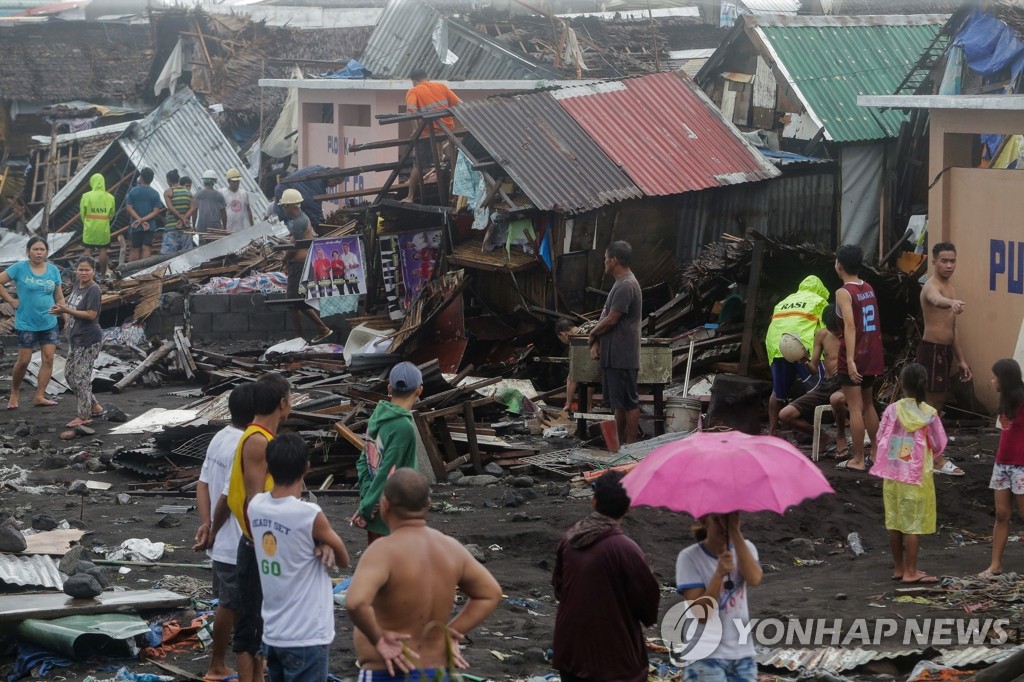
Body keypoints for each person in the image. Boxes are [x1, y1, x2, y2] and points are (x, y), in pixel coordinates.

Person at [345, 468, 502, 679]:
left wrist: (379, 639)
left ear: (385, 504)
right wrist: (450, 633)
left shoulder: (383, 551)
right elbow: (490, 593)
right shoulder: (451, 548)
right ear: (428, 504)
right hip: (435, 670)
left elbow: (355, 602)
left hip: (389, 669)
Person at [249, 433, 350, 682]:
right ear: (307, 467)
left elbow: (288, 542)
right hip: (306, 635)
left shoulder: (255, 506)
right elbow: (344, 559)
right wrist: (325, 543)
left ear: (269, 468)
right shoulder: (309, 514)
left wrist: (319, 542)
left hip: (273, 633)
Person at [552, 471, 660, 682]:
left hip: (570, 651)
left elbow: (559, 588)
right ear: (629, 507)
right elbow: (648, 608)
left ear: (593, 501)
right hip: (614, 659)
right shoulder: (626, 549)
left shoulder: (569, 539)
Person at [222, 373, 291, 682]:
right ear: (282, 403)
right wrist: (268, 550)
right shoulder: (258, 441)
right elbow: (255, 501)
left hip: (262, 543)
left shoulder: (262, 437)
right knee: (249, 625)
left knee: (262, 622)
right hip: (257, 546)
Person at [193, 383, 255, 682]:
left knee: (238, 604)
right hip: (232, 541)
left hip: (220, 540)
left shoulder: (221, 436)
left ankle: (248, 661)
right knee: (230, 605)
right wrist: (214, 529)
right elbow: (229, 498)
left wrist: (205, 525)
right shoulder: (246, 444)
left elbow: (202, 483)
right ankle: (216, 665)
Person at [870, 363, 947, 584]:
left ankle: (899, 568)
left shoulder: (892, 410)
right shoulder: (929, 414)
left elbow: (880, 436)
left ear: (902, 384)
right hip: (916, 475)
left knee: (894, 522)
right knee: (913, 524)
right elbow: (937, 443)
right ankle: (911, 571)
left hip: (893, 473)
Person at [676, 512, 762, 682]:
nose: (724, 525)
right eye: (717, 519)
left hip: (742, 654)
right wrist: (719, 574)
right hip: (704, 655)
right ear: (703, 520)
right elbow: (701, 615)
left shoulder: (746, 548)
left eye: (730, 518)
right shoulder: (689, 557)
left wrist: (735, 532)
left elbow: (754, 578)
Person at [352, 362, 422, 545]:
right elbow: (389, 473)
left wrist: (367, 499)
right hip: (394, 518)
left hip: (376, 513)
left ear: (389, 387)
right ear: (419, 390)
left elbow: (363, 461)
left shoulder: (377, 417)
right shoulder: (403, 427)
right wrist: (367, 508)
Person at [918, 242, 969, 476]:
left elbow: (953, 328)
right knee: (930, 407)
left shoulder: (951, 287)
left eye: (953, 261)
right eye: (945, 261)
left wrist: (961, 360)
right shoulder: (932, 286)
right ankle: (934, 459)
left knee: (934, 407)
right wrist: (951, 303)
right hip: (932, 351)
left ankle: (925, 454)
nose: (949, 265)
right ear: (934, 261)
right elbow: (936, 300)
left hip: (945, 352)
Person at [834, 244, 884, 472]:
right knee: (868, 404)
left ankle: (857, 458)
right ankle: (875, 451)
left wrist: (851, 359)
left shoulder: (843, 292)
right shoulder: (868, 287)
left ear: (839, 265)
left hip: (856, 353)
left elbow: (850, 325)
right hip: (872, 350)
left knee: (854, 407)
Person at [588, 241, 642, 445]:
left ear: (615, 260)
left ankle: (632, 445)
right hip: (614, 354)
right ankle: (619, 444)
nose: (604, 262)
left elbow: (612, 319)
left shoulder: (627, 284)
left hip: (623, 354)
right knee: (619, 403)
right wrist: (596, 341)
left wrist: (592, 334)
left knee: (629, 401)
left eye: (606, 259)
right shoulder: (619, 283)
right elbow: (605, 317)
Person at [0, 237, 65, 409]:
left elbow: (59, 296)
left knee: (49, 358)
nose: (39, 252)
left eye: (42, 250)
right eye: (35, 249)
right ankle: (14, 392)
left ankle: (39, 395)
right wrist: (10, 300)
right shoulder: (19, 268)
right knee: (23, 361)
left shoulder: (53, 270)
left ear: (46, 252)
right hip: (26, 322)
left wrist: (66, 315)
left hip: (49, 321)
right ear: (28, 251)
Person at [764, 275, 829, 436]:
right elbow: (826, 332)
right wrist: (827, 358)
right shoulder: (819, 301)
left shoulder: (783, 302)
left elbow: (772, 328)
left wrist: (772, 354)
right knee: (818, 391)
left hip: (778, 346)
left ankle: (772, 432)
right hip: (803, 348)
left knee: (777, 393)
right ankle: (817, 433)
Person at [779, 305, 848, 455]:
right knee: (785, 414)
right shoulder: (822, 335)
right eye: (831, 328)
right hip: (827, 384)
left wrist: (847, 367)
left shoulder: (851, 334)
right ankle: (823, 437)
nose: (835, 331)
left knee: (837, 399)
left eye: (837, 327)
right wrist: (803, 360)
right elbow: (814, 369)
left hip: (847, 383)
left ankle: (841, 436)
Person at [980, 359, 1024, 579]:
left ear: (1004, 379)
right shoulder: (1005, 401)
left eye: (995, 376)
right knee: (1001, 514)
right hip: (1002, 464)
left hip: (1021, 466)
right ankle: (995, 565)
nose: (992, 380)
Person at [50, 257, 104, 428]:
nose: (83, 272)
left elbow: (91, 315)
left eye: (87, 270)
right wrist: (64, 316)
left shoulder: (93, 290)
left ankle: (84, 415)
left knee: (81, 378)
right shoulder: (77, 285)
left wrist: (65, 309)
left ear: (94, 271)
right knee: (69, 374)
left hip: (89, 339)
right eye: (80, 269)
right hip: (76, 339)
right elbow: (73, 308)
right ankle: (94, 405)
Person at [279, 189, 332, 343]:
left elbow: (294, 247)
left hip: (299, 266)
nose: (284, 209)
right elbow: (294, 239)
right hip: (299, 265)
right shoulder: (301, 220)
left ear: (291, 206)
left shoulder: (299, 221)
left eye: (284, 206)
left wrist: (284, 259)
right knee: (296, 303)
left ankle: (312, 333)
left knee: (294, 302)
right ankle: (303, 335)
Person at [403, 70, 461, 204]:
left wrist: (415, 131)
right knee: (441, 156)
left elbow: (411, 112)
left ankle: (410, 196)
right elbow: (459, 104)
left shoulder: (414, 91)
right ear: (427, 78)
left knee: (418, 164)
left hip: (428, 132)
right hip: (446, 129)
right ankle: (451, 192)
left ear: (413, 80)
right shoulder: (442, 86)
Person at [273, 166, 341, 229]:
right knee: (286, 223)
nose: (334, 186)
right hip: (284, 193)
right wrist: (320, 225)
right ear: (331, 177)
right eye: (335, 183)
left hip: (282, 189)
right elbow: (314, 206)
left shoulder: (320, 170)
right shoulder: (318, 183)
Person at [79, 172, 115, 279]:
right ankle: (103, 276)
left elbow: (82, 213)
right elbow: (112, 214)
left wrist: (86, 222)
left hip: (89, 227)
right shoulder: (110, 197)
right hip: (103, 228)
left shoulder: (86, 196)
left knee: (88, 251)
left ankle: (87, 275)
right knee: (103, 251)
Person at [124, 167, 164, 262]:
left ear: (141, 178)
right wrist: (143, 220)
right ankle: (143, 271)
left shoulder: (133, 191)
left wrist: (139, 219)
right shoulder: (155, 193)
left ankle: (132, 272)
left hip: (135, 225)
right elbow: (156, 211)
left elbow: (129, 207)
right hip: (149, 226)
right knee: (147, 248)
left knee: (135, 249)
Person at [162, 170, 195, 255]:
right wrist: (184, 219)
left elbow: (170, 208)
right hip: (186, 229)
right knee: (187, 256)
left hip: (172, 228)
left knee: (168, 257)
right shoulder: (188, 192)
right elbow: (192, 208)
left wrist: (181, 219)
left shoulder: (168, 192)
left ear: (169, 180)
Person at [556, 319, 581, 412]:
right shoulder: (588, 330)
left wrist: (568, 403)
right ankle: (589, 407)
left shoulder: (576, 341)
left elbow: (572, 376)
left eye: (560, 339)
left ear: (563, 335)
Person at [222, 168, 254, 233]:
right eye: (234, 182)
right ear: (228, 181)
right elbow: (220, 212)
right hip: (228, 229)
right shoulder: (223, 194)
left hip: (241, 229)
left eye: (237, 181)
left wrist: (252, 225)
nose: (236, 184)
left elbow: (248, 210)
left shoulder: (244, 194)